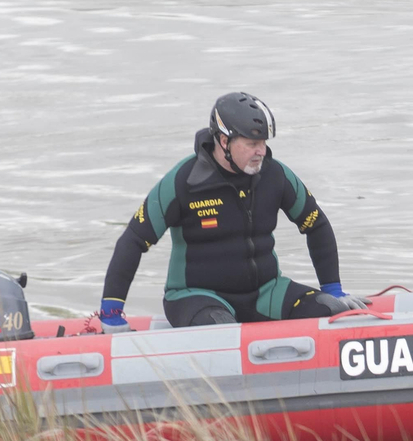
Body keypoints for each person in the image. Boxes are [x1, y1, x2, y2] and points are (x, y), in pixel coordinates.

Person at [98, 93, 365, 329]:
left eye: (263, 142)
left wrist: (333, 289)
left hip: (266, 293)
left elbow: (315, 224)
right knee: (222, 330)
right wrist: (112, 312)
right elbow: (133, 240)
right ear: (224, 141)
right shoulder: (184, 181)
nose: (261, 151)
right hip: (196, 297)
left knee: (332, 312)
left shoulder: (275, 175)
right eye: (251, 144)